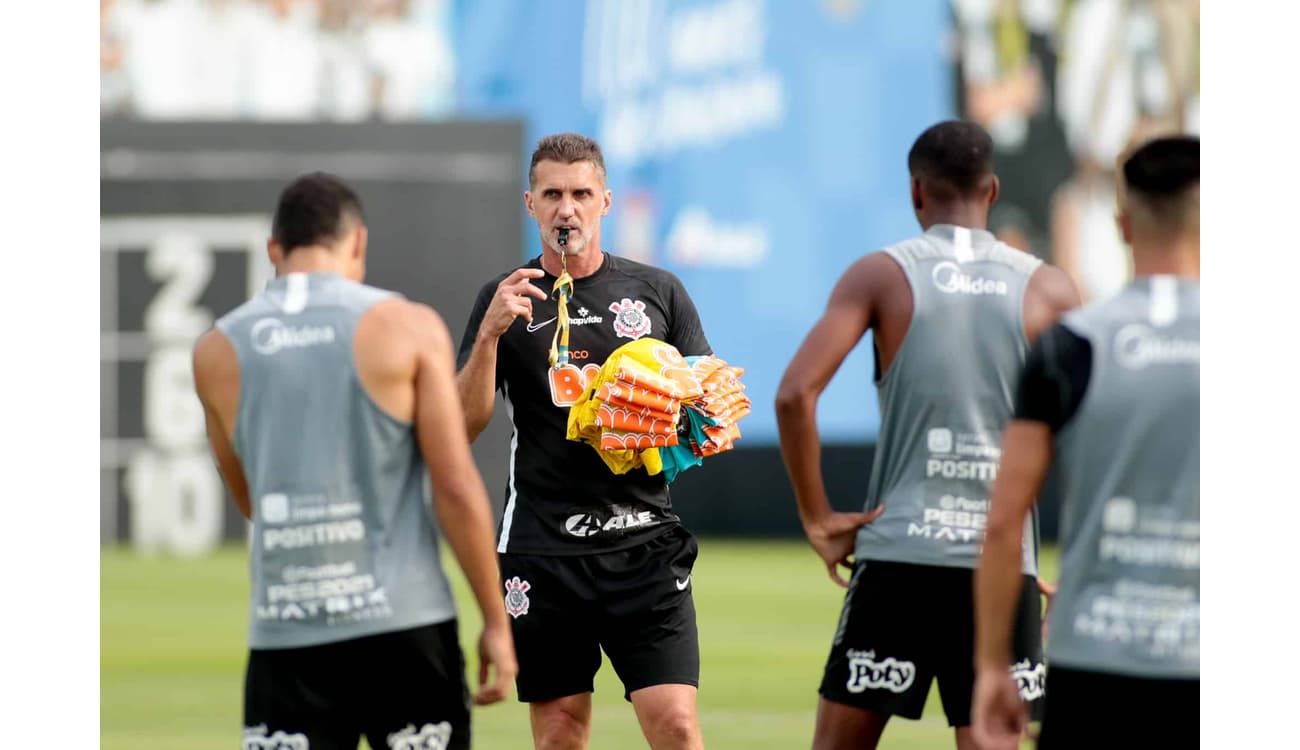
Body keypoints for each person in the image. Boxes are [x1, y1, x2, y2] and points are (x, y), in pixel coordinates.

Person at [774, 120, 1080, 750]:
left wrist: (818, 518)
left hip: (900, 557)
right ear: (992, 191)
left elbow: (794, 395)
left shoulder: (881, 275)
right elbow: (1095, 429)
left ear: (917, 192)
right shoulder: (1050, 288)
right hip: (1001, 567)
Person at [192, 172, 516, 750]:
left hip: (288, 632)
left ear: (274, 250)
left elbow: (249, 497)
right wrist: (495, 620)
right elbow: (456, 485)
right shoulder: (408, 326)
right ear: (359, 243)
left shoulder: (215, 349)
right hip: (406, 628)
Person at [456, 132, 711, 750]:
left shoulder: (658, 291)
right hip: (544, 549)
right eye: (552, 194)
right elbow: (460, 424)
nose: (565, 208)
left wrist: (648, 413)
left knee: (676, 725)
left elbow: (706, 410)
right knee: (560, 734)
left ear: (605, 202)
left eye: (580, 193)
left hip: (644, 543)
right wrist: (489, 336)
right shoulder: (505, 299)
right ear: (530, 204)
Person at [973, 135, 1199, 749]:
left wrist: (995, 665)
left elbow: (1002, 523)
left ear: (1123, 224)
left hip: (1094, 657)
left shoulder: (1071, 345)